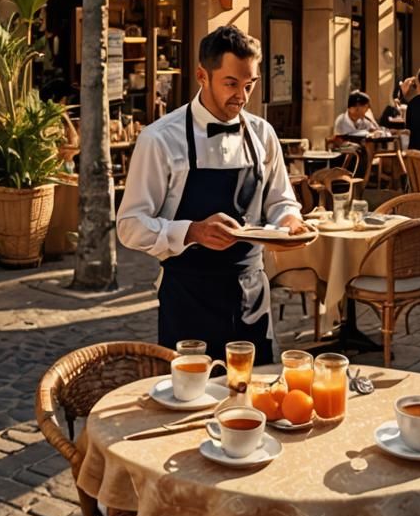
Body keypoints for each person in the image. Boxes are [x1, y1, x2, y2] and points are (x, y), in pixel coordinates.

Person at [117, 25, 304, 363]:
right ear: (202, 75)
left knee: (255, 399)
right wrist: (192, 231)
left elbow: (280, 199)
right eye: (232, 84)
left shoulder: (263, 133)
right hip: (189, 299)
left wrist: (289, 221)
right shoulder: (160, 139)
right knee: (191, 407)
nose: (243, 97)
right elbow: (129, 225)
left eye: (250, 85)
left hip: (252, 294)